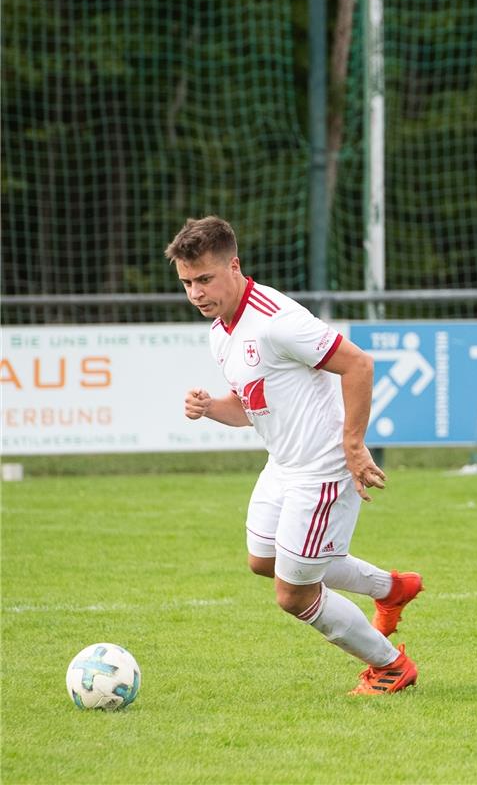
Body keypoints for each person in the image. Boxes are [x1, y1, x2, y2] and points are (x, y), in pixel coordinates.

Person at [165, 216, 423, 696]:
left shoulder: (277, 322)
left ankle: (390, 667)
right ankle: (391, 588)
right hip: (283, 465)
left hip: (322, 468)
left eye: (204, 279)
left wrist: (352, 445)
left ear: (234, 266)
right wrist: (211, 409)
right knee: (264, 561)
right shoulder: (221, 331)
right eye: (186, 283)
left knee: (294, 592)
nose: (196, 293)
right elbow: (254, 406)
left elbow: (359, 364)